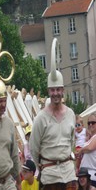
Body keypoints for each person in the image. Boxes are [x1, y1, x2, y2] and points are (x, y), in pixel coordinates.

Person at [29, 38, 77, 190]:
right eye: (52, 90)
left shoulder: (70, 114)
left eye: (58, 89)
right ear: (48, 91)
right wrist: (44, 166)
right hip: (50, 176)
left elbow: (72, 143)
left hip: (69, 173)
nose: (56, 93)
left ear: (63, 90)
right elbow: (34, 148)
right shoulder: (41, 118)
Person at [78, 113, 96, 189]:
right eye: (89, 123)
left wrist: (81, 150)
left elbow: (90, 148)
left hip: (92, 176)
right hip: (84, 175)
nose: (90, 125)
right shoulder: (89, 139)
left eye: (93, 122)